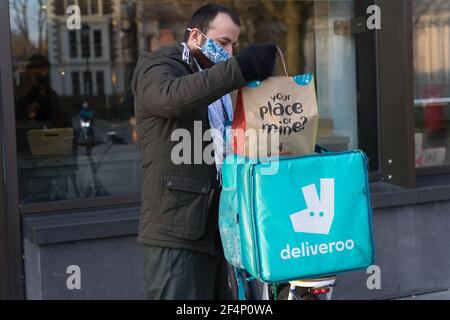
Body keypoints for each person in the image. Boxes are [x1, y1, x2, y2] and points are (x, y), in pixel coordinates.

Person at [132, 3, 277, 300]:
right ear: (197, 36)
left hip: (218, 227)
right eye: (223, 42)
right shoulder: (158, 65)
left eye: (234, 44)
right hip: (177, 229)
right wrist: (240, 69)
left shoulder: (216, 80)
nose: (230, 51)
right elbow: (170, 98)